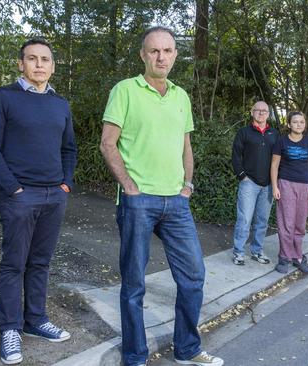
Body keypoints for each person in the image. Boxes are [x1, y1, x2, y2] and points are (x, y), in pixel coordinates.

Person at [99, 26, 223, 366]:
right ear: (143, 55)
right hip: (138, 202)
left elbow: (186, 147)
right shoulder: (125, 90)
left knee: (194, 276)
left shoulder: (181, 96)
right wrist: (129, 187)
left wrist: (187, 187)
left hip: (176, 203)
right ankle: (135, 356)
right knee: (135, 283)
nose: (161, 56)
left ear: (174, 55)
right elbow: (108, 143)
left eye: (167, 51)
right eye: (154, 51)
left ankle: (187, 349)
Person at [0, 38, 77, 365]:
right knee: (14, 263)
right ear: (20, 63)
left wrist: (66, 184)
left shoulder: (60, 104)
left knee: (40, 263)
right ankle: (9, 328)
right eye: (32, 59)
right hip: (20, 196)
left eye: (45, 59)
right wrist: (13, 188)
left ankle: (35, 320)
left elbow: (69, 148)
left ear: (52, 65)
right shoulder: (2, 98)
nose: (39, 64)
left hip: (54, 196)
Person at [231, 101, 280, 265]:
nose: (261, 113)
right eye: (257, 110)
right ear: (252, 112)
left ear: (269, 114)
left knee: (262, 221)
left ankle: (257, 251)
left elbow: (279, 159)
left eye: (264, 110)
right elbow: (236, 156)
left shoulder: (274, 133)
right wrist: (242, 176)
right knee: (244, 219)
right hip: (249, 183)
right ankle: (238, 252)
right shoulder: (244, 132)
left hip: (268, 184)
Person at [270, 111, 308, 274]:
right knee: (286, 223)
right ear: (289, 124)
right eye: (295, 122)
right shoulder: (281, 142)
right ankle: (284, 258)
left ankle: (297, 257)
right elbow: (274, 165)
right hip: (286, 184)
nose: (299, 124)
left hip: (305, 187)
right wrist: (275, 187)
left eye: (301, 122)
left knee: (300, 224)